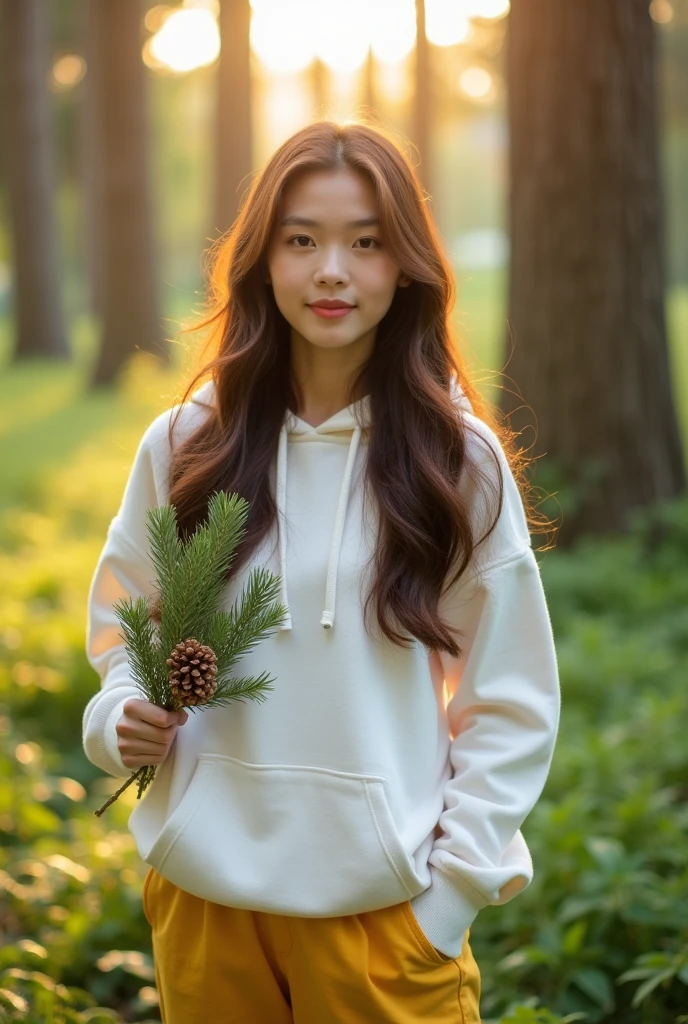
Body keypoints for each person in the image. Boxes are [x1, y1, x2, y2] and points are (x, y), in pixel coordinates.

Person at [82, 119, 561, 1024]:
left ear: (404, 266)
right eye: (302, 240)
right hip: (206, 902)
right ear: (262, 259)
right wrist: (118, 717)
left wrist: (448, 906)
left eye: (365, 242)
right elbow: (124, 625)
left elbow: (510, 698)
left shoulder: (455, 461)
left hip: (384, 922)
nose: (331, 271)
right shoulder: (187, 444)